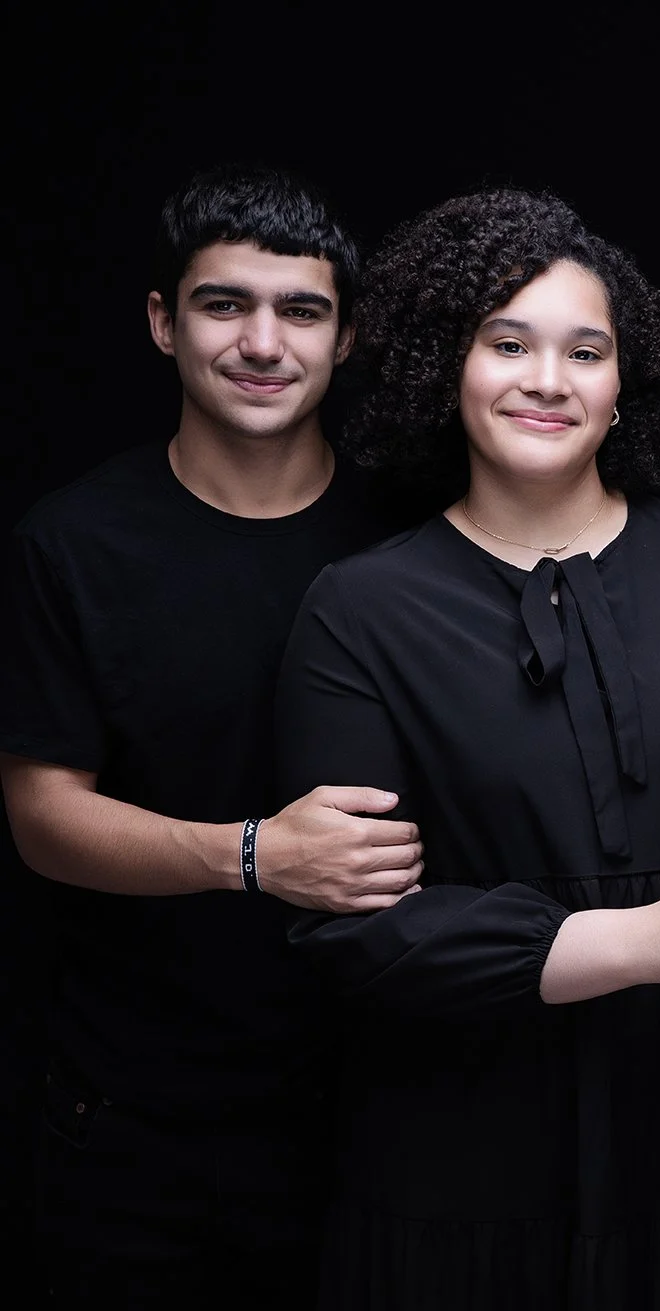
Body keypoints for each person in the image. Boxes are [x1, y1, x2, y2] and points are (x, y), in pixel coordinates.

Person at [273, 188, 660, 1310]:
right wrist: (643, 938)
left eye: (586, 350)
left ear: (626, 386)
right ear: (443, 369)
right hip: (457, 1140)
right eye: (507, 344)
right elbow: (362, 936)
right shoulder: (360, 607)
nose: (548, 381)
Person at [0, 164, 419, 1309]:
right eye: (224, 304)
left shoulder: (413, 530)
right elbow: (41, 814)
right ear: (162, 322)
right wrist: (254, 857)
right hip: (139, 1121)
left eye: (302, 310)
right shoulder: (74, 543)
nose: (262, 342)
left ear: (346, 339)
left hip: (376, 1109)